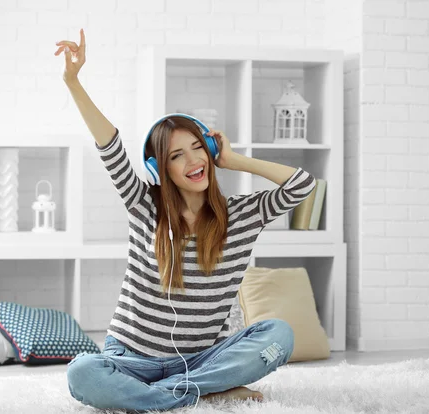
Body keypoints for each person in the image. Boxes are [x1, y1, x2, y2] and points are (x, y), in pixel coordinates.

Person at [55, 29, 317, 413]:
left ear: (211, 152)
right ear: (160, 169)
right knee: (82, 372)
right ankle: (200, 394)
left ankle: (172, 393)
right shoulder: (143, 203)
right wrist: (73, 81)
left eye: (199, 148)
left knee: (279, 335)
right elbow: (108, 144)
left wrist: (235, 159)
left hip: (201, 360)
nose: (194, 161)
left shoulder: (241, 215)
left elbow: (303, 185)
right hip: (130, 359)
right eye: (177, 155)